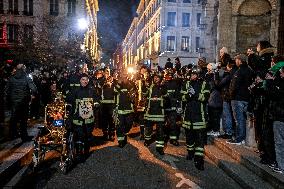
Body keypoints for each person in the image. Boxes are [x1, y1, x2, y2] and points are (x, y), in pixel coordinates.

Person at [181, 69, 210, 170]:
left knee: (200, 139)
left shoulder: (204, 84)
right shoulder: (186, 84)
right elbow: (183, 97)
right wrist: (188, 95)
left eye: (195, 74)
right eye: (192, 74)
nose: (193, 76)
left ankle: (199, 160)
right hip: (188, 115)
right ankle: (190, 152)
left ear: (198, 75)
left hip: (199, 115)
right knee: (189, 138)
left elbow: (205, 97)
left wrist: (195, 94)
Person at [66, 73, 100, 162]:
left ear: (88, 81)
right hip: (78, 118)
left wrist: (96, 103)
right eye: (83, 79)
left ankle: (86, 151)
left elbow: (96, 98)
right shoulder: (75, 91)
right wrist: (69, 105)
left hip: (89, 118)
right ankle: (79, 153)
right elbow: (69, 99)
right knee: (79, 135)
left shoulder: (91, 90)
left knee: (88, 135)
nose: (84, 81)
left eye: (86, 80)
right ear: (80, 81)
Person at [6, 63, 37, 142]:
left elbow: (7, 90)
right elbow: (34, 89)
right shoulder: (26, 78)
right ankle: (24, 136)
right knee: (23, 119)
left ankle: (12, 135)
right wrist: (32, 95)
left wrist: (10, 99)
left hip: (14, 101)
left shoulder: (11, 78)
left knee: (13, 118)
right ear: (24, 69)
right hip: (24, 101)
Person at [227, 54, 253, 145]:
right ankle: (242, 137)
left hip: (238, 98)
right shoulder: (250, 70)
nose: (235, 62)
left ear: (240, 61)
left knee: (239, 119)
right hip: (246, 97)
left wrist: (231, 95)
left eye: (236, 60)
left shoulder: (239, 71)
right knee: (243, 119)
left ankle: (240, 138)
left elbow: (235, 85)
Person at [144, 73, 167, 155]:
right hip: (150, 111)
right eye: (155, 77)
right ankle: (147, 140)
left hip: (160, 112)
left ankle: (160, 147)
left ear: (160, 78)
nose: (156, 79)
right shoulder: (150, 86)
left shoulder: (163, 87)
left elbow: (166, 97)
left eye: (157, 77)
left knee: (160, 131)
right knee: (148, 128)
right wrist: (144, 86)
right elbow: (144, 94)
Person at [267, 67, 284, 174]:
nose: (280, 75)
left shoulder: (280, 84)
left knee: (279, 142)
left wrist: (270, 81)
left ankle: (281, 166)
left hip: (280, 116)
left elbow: (273, 94)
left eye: (281, 73)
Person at [114, 73, 135, 148]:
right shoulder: (117, 84)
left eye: (125, 77)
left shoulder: (130, 84)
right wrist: (119, 83)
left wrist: (132, 96)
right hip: (119, 108)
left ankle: (125, 133)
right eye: (122, 77)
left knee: (129, 124)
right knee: (119, 125)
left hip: (129, 108)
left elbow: (133, 93)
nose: (124, 79)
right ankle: (120, 141)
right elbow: (115, 91)